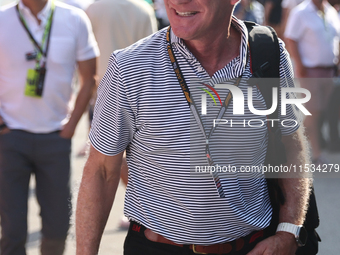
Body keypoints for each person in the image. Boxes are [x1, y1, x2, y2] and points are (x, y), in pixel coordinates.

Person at [76, 0, 311, 254]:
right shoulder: (130, 67)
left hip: (250, 247)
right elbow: (101, 170)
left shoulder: (268, 56)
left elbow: (291, 145)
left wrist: (289, 230)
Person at [0, 0, 99, 254]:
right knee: (12, 229)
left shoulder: (74, 18)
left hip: (56, 137)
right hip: (10, 137)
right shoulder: (2, 19)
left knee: (57, 225)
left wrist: (71, 127)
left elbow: (90, 78)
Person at [85, 0, 157, 228]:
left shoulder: (93, 9)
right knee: (142, 157)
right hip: (144, 93)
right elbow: (157, 52)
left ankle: (141, 209)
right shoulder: (143, 9)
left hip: (103, 93)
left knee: (104, 161)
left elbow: (86, 55)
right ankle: (144, 209)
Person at [285, 0, 340, 163]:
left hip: (329, 70)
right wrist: (300, 65)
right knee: (313, 112)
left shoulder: (330, 11)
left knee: (321, 111)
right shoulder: (300, 12)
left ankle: (304, 146)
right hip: (310, 71)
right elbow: (290, 38)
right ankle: (314, 154)